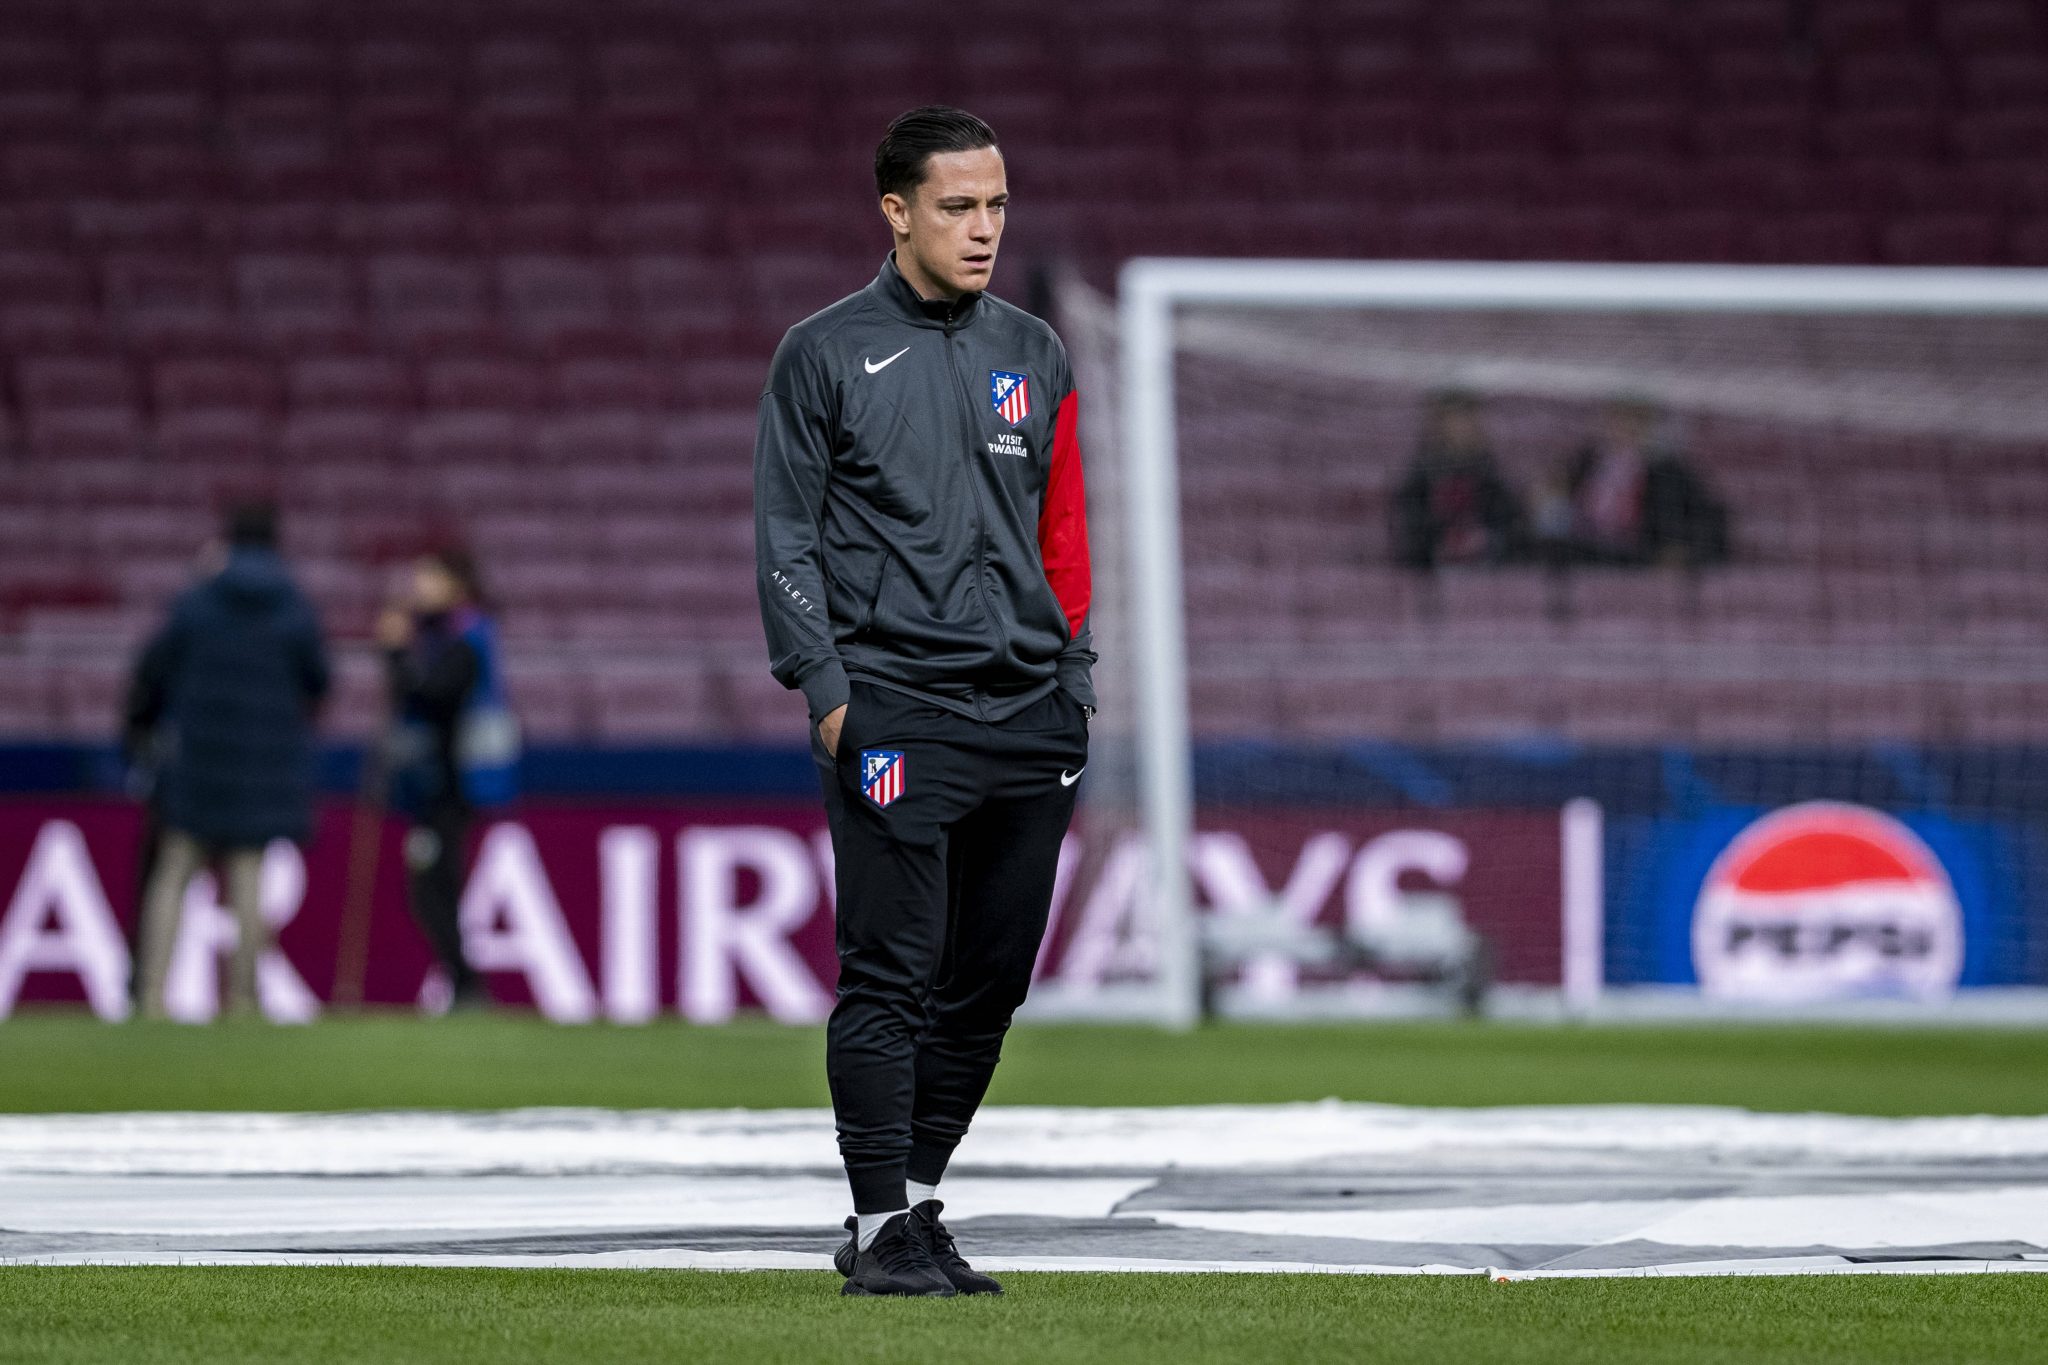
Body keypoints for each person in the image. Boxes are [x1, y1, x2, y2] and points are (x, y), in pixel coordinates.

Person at [754, 106, 1093, 1298]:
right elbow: (785, 530)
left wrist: (1075, 685)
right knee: (891, 972)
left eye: (996, 204)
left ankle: (912, 1206)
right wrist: (829, 689)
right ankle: (876, 1217)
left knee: (990, 983)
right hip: (894, 708)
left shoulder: (1036, 352)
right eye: (957, 206)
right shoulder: (825, 352)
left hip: (1028, 718)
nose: (983, 227)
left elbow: (1063, 537)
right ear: (894, 212)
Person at [132, 502, 329, 1020]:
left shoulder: (196, 600)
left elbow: (153, 669)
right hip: (264, 769)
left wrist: (142, 734)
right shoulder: (293, 604)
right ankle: (242, 1004)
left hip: (197, 765)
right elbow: (320, 680)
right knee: (248, 886)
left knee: (173, 876)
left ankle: (151, 998)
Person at [377, 547, 518, 1014]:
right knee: (433, 886)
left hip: (452, 784)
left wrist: (396, 654)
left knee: (435, 886)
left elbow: (430, 697)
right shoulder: (448, 634)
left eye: (428, 578)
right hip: (439, 782)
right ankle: (463, 985)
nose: (418, 588)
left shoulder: (464, 637)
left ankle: (466, 986)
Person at [1534, 395, 1731, 568]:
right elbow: (1554, 515)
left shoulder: (1670, 472)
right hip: (1585, 554)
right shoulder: (1584, 464)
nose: (1625, 427)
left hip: (1640, 559)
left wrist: (1677, 551)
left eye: (1635, 419)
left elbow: (1705, 521)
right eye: (1618, 418)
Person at [1391, 388, 1527, 569]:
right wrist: (1443, 539)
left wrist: (1484, 539)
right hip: (1431, 568)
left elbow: (1509, 521)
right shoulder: (1423, 471)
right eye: (1456, 419)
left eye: (1468, 419)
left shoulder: (1489, 471)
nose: (1463, 427)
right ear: (1440, 424)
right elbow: (1409, 523)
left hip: (1486, 569)